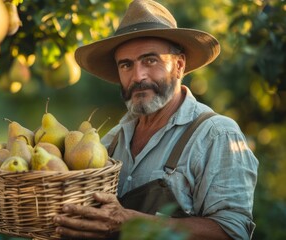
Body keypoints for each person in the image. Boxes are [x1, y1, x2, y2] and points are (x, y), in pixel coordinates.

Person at [53, 0, 259, 239]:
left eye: (150, 60)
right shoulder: (111, 142)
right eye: (126, 65)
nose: (138, 76)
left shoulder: (216, 134)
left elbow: (233, 231)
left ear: (179, 65)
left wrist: (130, 221)